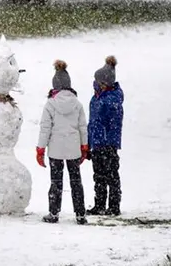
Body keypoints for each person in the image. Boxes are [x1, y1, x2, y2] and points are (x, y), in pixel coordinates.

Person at [36, 60, 89, 225]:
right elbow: (83, 128)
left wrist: (40, 149)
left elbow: (45, 128)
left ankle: (53, 213)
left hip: (56, 151)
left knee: (56, 182)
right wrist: (84, 146)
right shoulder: (77, 104)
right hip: (73, 148)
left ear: (54, 86)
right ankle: (80, 214)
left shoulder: (50, 104)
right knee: (76, 182)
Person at [87, 55, 124, 216]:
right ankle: (99, 204)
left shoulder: (113, 99)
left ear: (106, 83)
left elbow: (112, 123)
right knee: (98, 176)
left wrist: (107, 139)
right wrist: (89, 142)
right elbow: (92, 122)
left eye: (100, 82)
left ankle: (114, 206)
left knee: (111, 175)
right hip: (96, 142)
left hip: (108, 143)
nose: (97, 85)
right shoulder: (95, 98)